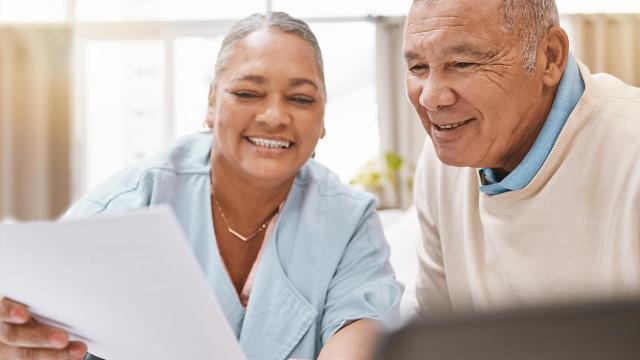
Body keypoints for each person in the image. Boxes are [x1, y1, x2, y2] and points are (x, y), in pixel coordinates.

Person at [0, 12, 403, 360]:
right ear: (211, 103)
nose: (275, 116)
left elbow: (360, 333)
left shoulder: (349, 220)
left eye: (300, 99)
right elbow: (47, 328)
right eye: (248, 92)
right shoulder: (131, 202)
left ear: (323, 119)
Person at [405, 0, 640, 314]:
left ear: (550, 58)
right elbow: (436, 334)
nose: (430, 98)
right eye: (418, 67)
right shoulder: (442, 162)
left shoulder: (630, 152)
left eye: (462, 63)